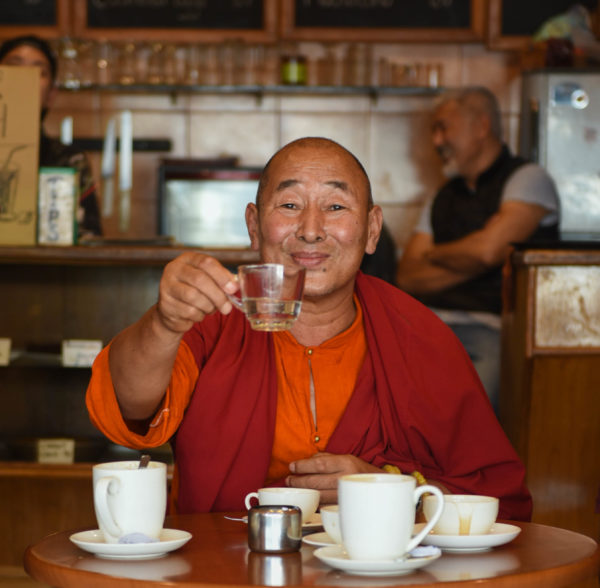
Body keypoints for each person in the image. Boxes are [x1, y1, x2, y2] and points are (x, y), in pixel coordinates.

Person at [86, 136, 532, 521]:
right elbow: (130, 406)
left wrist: (388, 489)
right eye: (290, 205)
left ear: (372, 230)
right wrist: (164, 323)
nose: (312, 230)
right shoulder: (213, 318)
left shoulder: (419, 336)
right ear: (254, 226)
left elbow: (495, 499)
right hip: (225, 567)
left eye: (335, 207)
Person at [397, 87, 560, 414]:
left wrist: (435, 253)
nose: (436, 141)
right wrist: (474, 255)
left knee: (470, 416)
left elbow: (487, 252)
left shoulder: (528, 179)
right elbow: (408, 276)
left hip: (493, 329)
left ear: (481, 126)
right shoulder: (442, 195)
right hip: (428, 326)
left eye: (443, 128)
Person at [0, 35, 102, 239]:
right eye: (14, 66)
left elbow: (89, 238)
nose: (26, 78)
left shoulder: (68, 161)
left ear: (51, 95)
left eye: (39, 72)